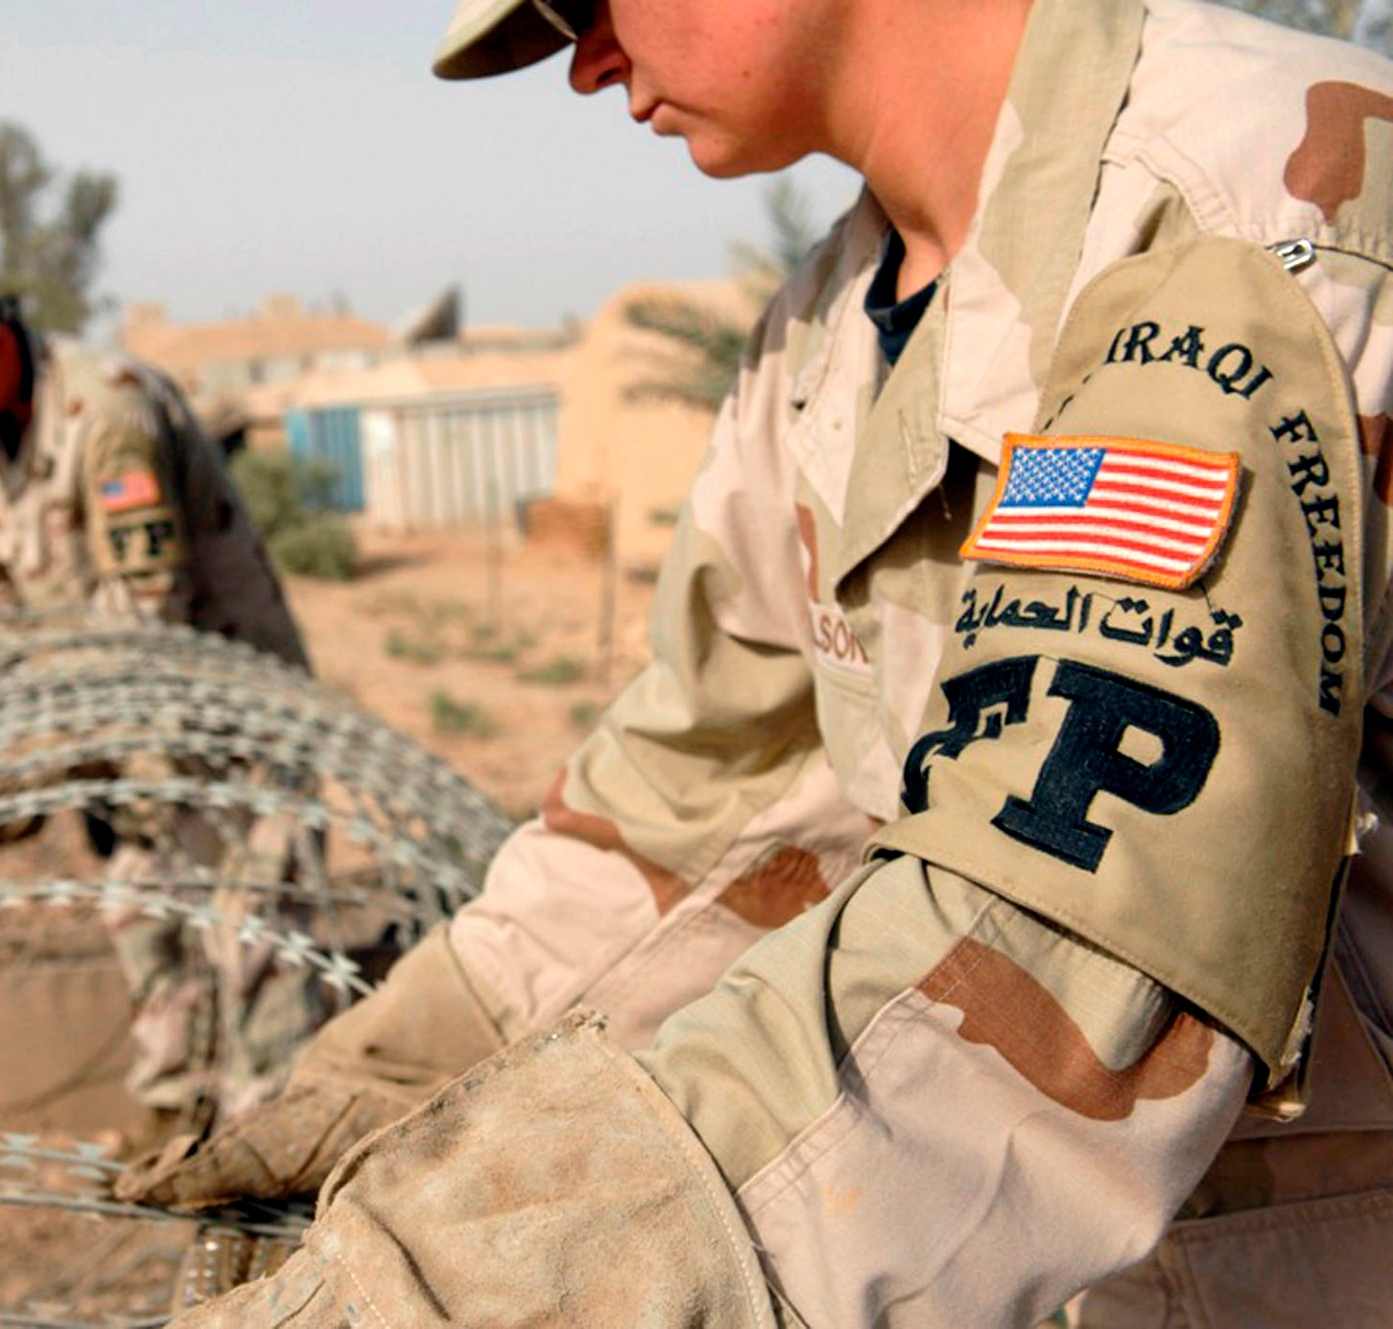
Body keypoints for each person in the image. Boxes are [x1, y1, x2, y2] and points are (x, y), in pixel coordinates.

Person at [121, 0, 1393, 1323]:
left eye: (581, 3)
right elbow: (703, 807)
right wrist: (388, 1082)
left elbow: (1059, 938)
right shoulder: (830, 335)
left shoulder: (1237, 225)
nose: (586, 66)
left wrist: (462, 1290)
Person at [0, 258, 326, 1133]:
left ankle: (274, 1157)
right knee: (145, 922)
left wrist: (40, 763)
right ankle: (177, 1122)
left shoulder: (107, 414)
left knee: (256, 943)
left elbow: (146, 622)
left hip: (230, 719)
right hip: (116, 734)